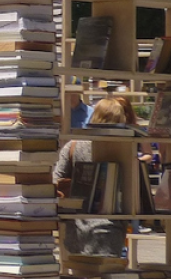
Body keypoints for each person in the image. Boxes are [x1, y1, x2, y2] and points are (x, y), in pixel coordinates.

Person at [52, 97, 133, 258]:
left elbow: (56, 180)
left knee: (80, 277)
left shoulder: (73, 146)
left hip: (75, 228)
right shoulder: (124, 149)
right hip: (109, 229)